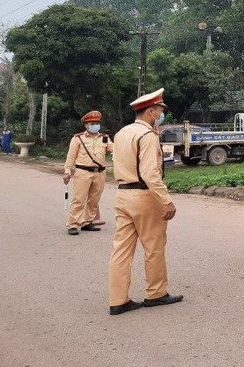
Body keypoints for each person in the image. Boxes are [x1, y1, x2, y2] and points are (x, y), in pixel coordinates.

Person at [108, 88, 182, 316]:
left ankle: (118, 300)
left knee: (121, 250)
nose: (161, 115)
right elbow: (151, 174)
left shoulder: (121, 133)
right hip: (144, 196)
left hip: (122, 194)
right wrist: (166, 201)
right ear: (151, 111)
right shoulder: (147, 136)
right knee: (154, 247)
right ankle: (156, 293)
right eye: (160, 111)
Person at [63, 111, 113, 235]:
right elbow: (71, 156)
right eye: (92, 123)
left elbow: (115, 149)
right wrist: (67, 171)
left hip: (100, 173)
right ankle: (73, 224)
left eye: (97, 123)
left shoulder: (104, 138)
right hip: (83, 172)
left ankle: (87, 222)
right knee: (79, 199)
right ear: (86, 125)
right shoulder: (78, 138)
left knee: (94, 199)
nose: (95, 125)